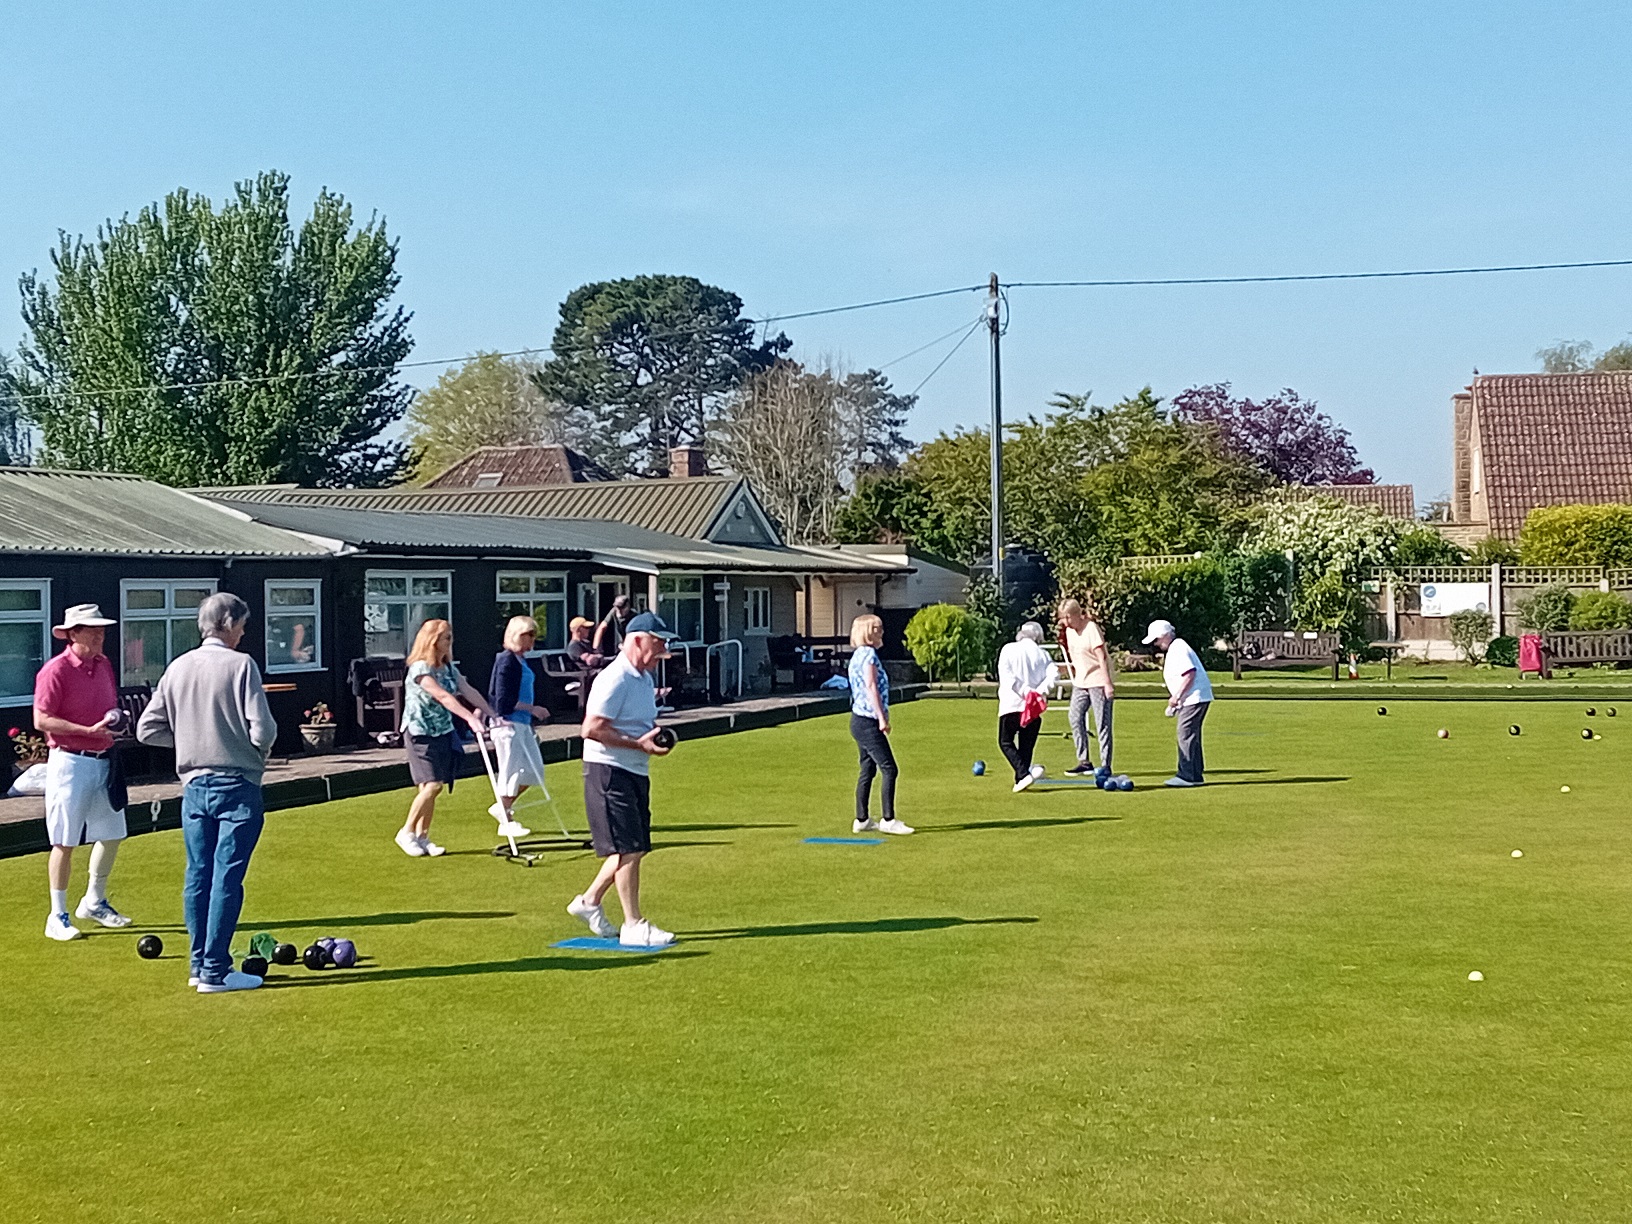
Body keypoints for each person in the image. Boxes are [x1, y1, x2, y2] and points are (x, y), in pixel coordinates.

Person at [136, 593, 276, 994]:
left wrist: (188, 740)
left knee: (198, 875)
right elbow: (262, 729)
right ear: (229, 623)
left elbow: (147, 729)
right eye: (243, 625)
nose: (244, 632)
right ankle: (215, 970)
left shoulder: (178, 666)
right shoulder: (241, 665)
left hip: (194, 785)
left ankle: (199, 966)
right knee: (227, 878)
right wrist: (256, 750)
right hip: (237, 782)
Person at [565, 610, 677, 949]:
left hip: (634, 768)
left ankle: (589, 902)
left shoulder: (642, 678)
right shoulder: (614, 678)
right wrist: (636, 744)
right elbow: (591, 728)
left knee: (633, 847)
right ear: (638, 640)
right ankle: (634, 925)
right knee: (629, 848)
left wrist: (651, 740)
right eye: (658, 643)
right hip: (609, 770)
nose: (663, 650)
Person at [33, 603, 130, 941]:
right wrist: (85, 731)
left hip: (104, 760)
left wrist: (113, 722)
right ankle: (56, 915)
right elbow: (41, 719)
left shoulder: (104, 665)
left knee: (113, 832)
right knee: (64, 840)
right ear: (73, 634)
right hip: (69, 762)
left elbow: (107, 707)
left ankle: (94, 900)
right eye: (92, 629)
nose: (100, 634)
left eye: (101, 628)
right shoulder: (54, 670)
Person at [396, 618, 494, 857]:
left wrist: (493, 715)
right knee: (432, 785)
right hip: (420, 732)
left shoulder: (449, 667)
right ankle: (406, 832)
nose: (450, 642)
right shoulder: (421, 668)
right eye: (446, 637)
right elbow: (443, 696)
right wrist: (470, 718)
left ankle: (423, 837)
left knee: (431, 788)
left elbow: (467, 690)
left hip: (442, 730)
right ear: (433, 641)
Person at [847, 614, 913, 835]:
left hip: (858, 719)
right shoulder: (869, 656)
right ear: (867, 631)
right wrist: (882, 718)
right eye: (878, 629)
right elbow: (871, 686)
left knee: (867, 768)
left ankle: (862, 819)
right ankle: (888, 819)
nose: (882, 632)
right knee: (889, 768)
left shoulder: (857, 655)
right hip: (867, 720)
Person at [487, 615, 550, 837]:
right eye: (528, 635)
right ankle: (506, 817)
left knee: (535, 772)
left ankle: (502, 808)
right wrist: (532, 708)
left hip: (522, 724)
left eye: (534, 635)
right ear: (516, 635)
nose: (532, 640)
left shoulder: (520, 660)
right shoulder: (506, 660)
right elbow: (502, 700)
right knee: (511, 770)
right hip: (507, 724)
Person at [1143, 619, 1214, 787]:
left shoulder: (1178, 648)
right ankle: (1195, 775)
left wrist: (1176, 697)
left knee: (1185, 734)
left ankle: (1187, 775)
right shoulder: (1177, 647)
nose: (1156, 644)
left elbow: (1189, 674)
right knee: (1191, 735)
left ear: (1165, 636)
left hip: (1194, 697)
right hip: (1194, 697)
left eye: (1157, 640)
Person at [997, 621, 1058, 793]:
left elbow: (1008, 678)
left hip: (1012, 704)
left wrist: (1026, 692)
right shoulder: (1043, 654)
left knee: (1005, 741)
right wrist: (1037, 693)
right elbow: (1054, 674)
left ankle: (1023, 775)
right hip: (1033, 708)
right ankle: (1022, 776)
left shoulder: (1008, 649)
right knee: (1026, 745)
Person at [1057, 597, 1115, 776]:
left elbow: (1101, 657)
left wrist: (1107, 683)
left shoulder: (1091, 629)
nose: (1066, 622)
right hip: (1081, 682)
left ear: (1077, 614)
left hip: (1098, 680)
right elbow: (1076, 658)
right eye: (1063, 618)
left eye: (1068, 618)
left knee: (1102, 723)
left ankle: (1105, 765)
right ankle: (1084, 761)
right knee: (1074, 716)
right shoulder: (1069, 632)